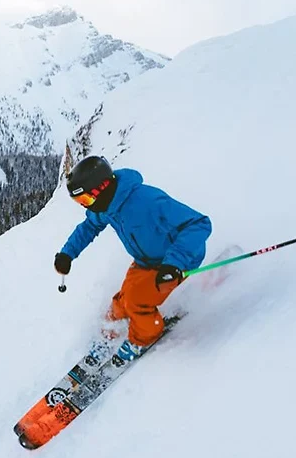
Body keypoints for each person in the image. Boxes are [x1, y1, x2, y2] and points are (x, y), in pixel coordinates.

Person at [55, 155, 212, 362]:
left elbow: (199, 224)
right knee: (120, 303)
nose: (86, 206)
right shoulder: (104, 206)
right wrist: (68, 253)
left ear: (101, 188)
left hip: (175, 261)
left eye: (86, 199)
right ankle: (109, 333)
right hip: (145, 261)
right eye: (80, 202)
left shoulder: (148, 200)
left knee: (137, 301)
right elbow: (89, 227)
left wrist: (174, 264)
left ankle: (143, 338)